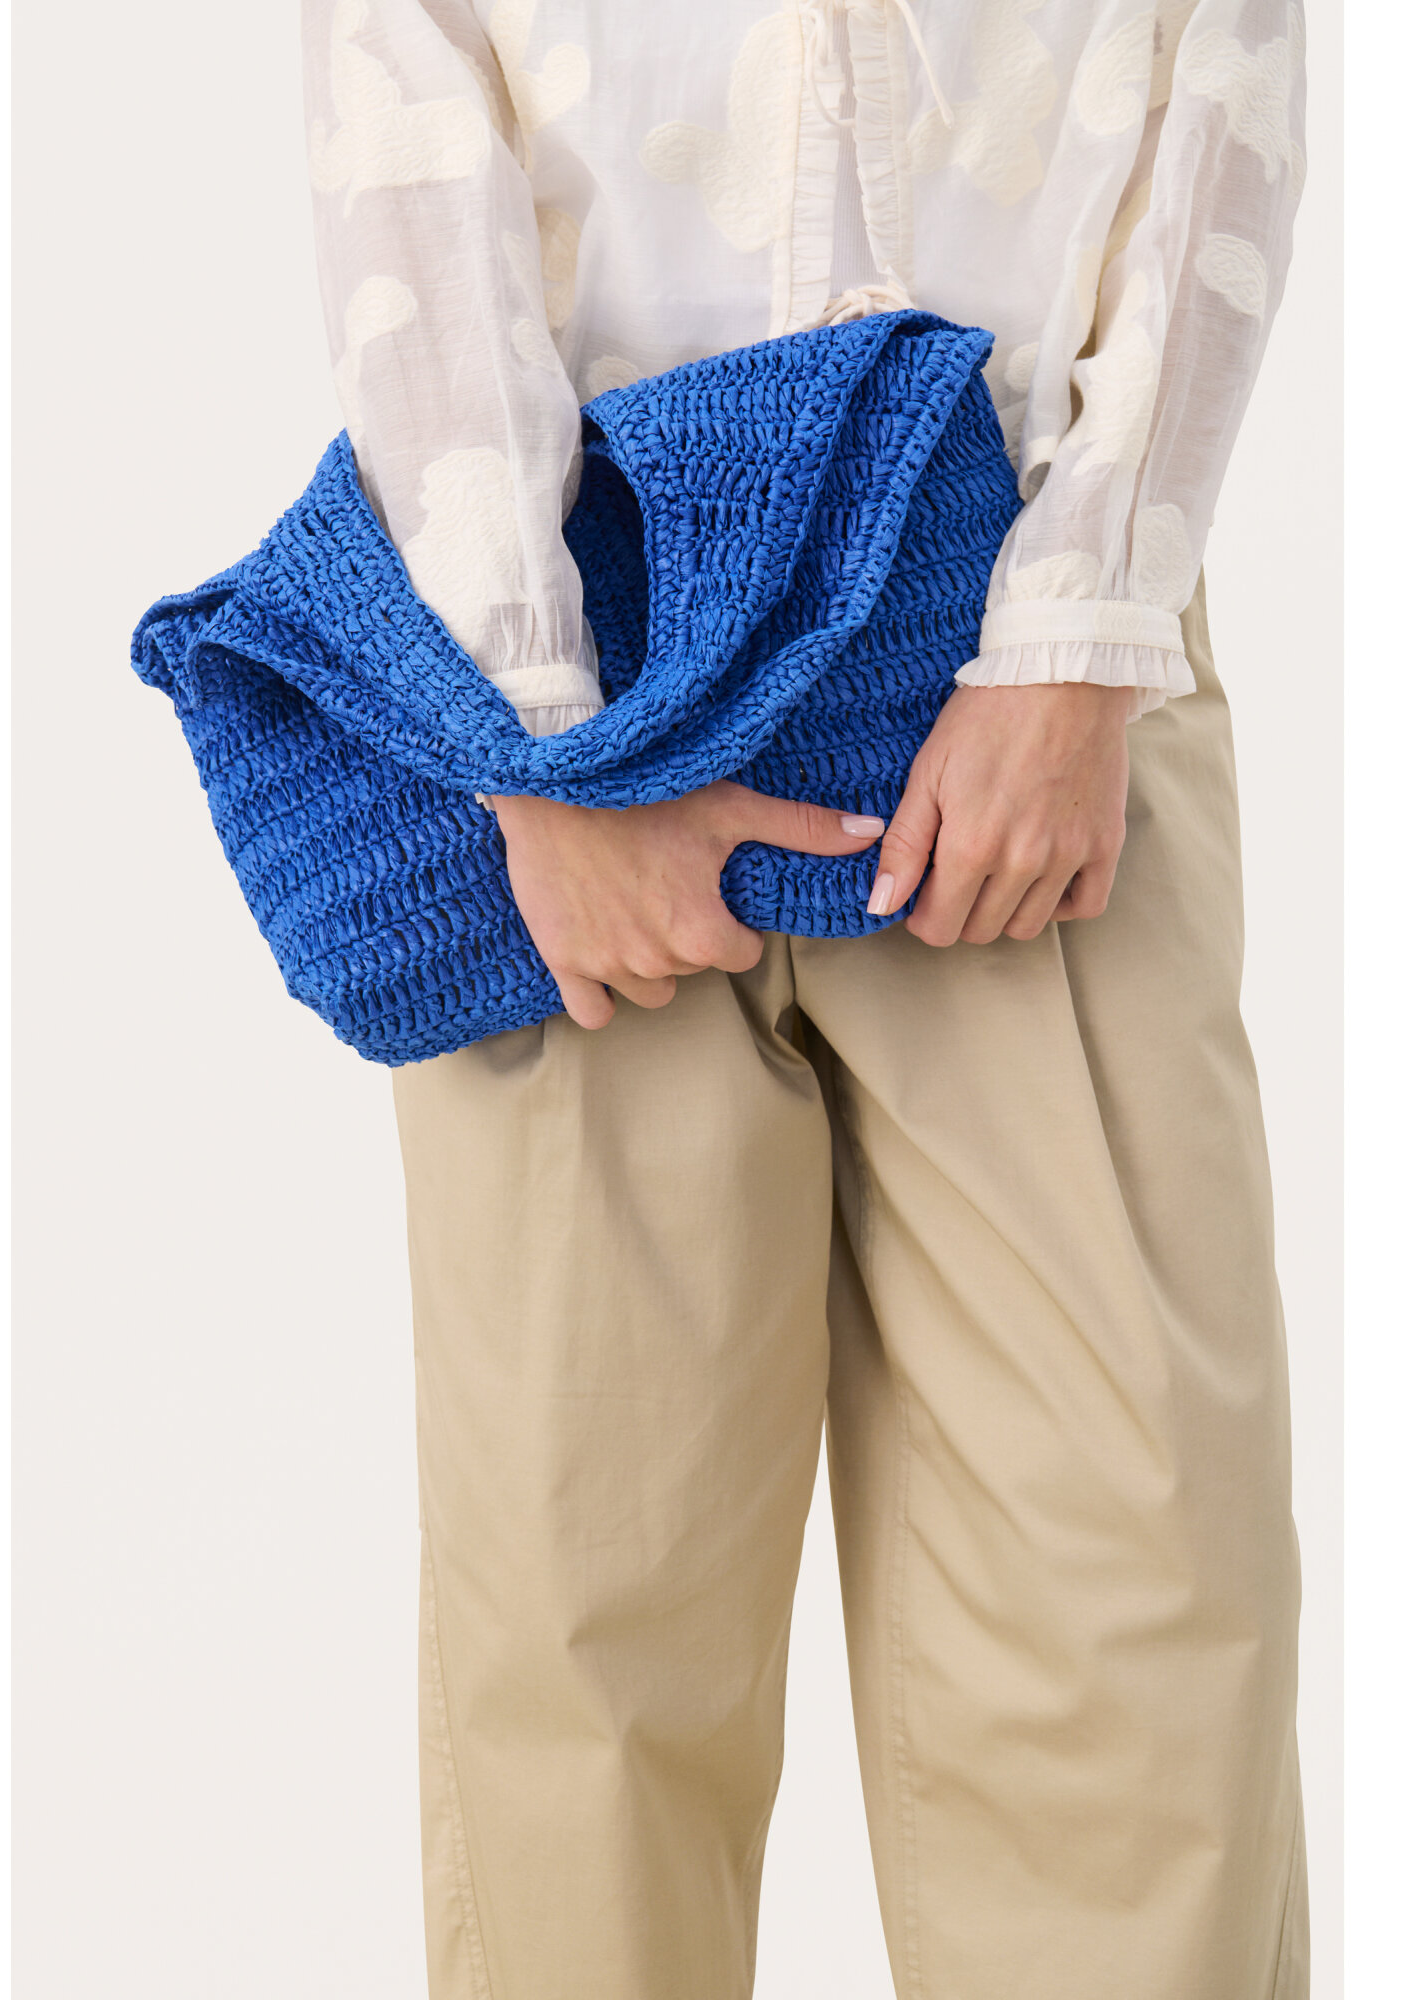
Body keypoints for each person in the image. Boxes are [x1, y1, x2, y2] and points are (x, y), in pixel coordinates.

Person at [302, 3, 1309, 1994]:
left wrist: (1085, 632)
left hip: (1042, 683)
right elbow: (399, 123)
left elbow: (1230, 71)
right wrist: (532, 739)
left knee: (1145, 1616)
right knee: (583, 1650)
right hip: (582, 678)